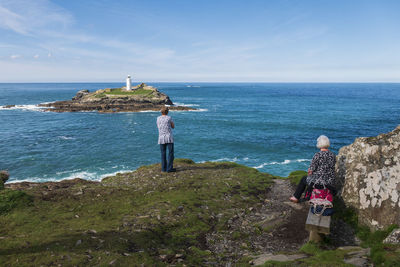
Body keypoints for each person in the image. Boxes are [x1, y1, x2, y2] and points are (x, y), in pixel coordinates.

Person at [289, 135, 336, 203]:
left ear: (319, 144)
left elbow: (310, 170)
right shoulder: (333, 155)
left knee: (304, 179)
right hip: (330, 182)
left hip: (319, 183)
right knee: (310, 179)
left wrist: (311, 173)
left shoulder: (317, 155)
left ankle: (296, 197)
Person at [157, 106, 175, 172]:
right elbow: (173, 126)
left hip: (161, 137)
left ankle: (163, 169)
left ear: (161, 111)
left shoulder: (158, 118)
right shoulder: (169, 118)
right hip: (169, 137)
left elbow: (158, 126)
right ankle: (169, 168)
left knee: (163, 153)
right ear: (167, 112)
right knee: (170, 153)